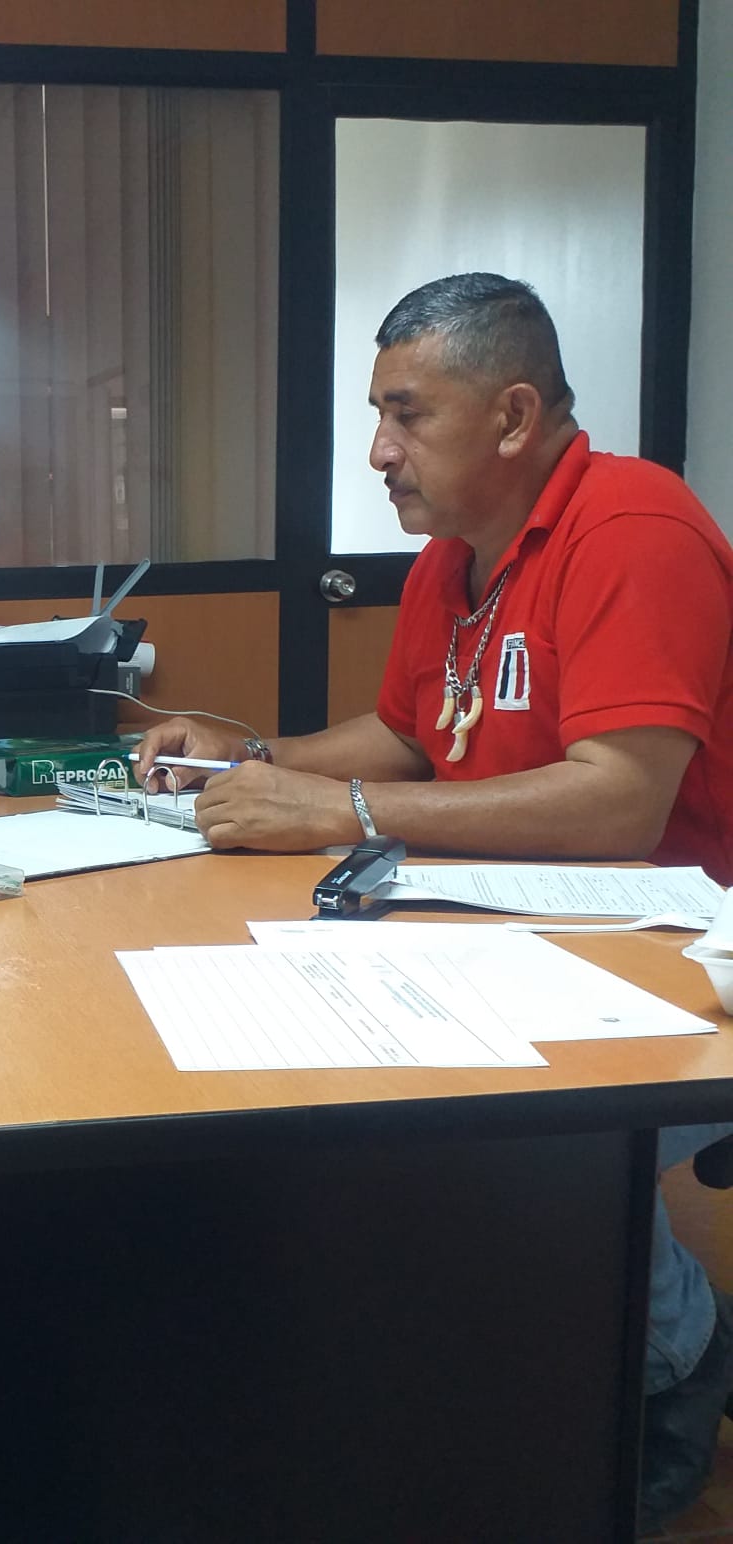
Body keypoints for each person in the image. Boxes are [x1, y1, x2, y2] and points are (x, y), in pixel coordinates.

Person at [134, 273, 733, 1532]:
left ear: (511, 415)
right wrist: (255, 756)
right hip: (518, 918)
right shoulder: (453, 560)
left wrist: (341, 812)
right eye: (377, 414)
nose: (376, 450)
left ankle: (672, 1360)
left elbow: (619, 801)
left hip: (675, 943)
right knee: (338, 1075)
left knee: (501, 1148)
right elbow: (414, 735)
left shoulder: (634, 528)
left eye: (403, 414)